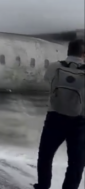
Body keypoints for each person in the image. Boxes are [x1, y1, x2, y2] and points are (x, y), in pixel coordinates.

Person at [33, 39, 85, 189]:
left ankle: (43, 186)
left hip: (55, 116)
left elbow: (47, 82)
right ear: (83, 54)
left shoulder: (55, 67)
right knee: (76, 162)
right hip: (79, 121)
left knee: (45, 156)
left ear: (68, 51)